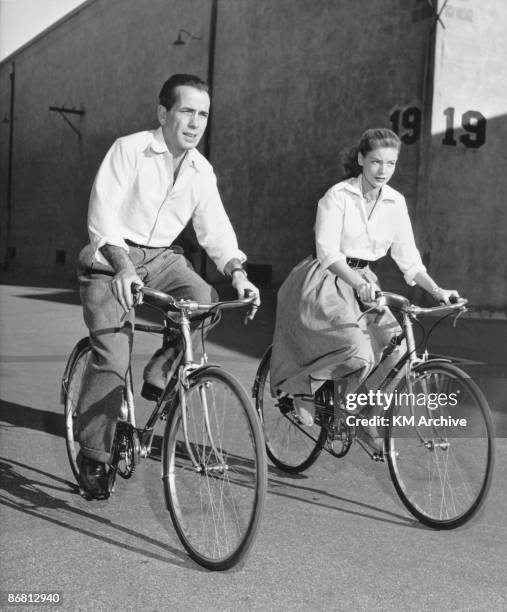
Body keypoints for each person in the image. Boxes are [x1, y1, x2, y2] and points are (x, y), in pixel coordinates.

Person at [75, 74, 259, 499]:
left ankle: (161, 370)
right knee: (111, 354)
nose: (196, 123)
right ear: (164, 113)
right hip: (111, 258)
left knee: (205, 303)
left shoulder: (200, 169)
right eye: (187, 111)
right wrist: (122, 266)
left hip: (163, 258)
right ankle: (94, 454)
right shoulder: (130, 149)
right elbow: (101, 215)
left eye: (204, 114)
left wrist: (238, 272)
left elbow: (215, 229)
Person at [270, 128, 458, 447]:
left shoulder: (395, 202)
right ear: (361, 160)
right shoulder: (337, 196)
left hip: (364, 282)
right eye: (375, 162)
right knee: (357, 350)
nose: (383, 170)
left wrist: (438, 291)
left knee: (397, 350)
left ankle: (356, 413)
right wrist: (358, 283)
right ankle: (303, 386)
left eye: (390, 163)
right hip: (326, 279)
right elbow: (328, 253)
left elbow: (408, 259)